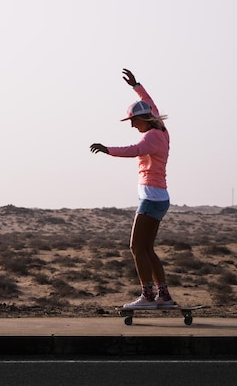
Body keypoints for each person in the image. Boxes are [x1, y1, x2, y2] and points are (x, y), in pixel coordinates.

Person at [90, 68, 174, 309]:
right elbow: (149, 102)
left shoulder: (151, 138)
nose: (131, 125)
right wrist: (136, 85)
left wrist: (108, 150)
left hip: (152, 198)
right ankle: (164, 296)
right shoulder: (160, 128)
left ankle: (147, 297)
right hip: (159, 196)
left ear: (143, 119)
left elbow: (133, 150)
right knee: (147, 248)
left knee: (136, 247)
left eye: (132, 121)